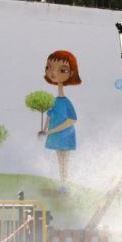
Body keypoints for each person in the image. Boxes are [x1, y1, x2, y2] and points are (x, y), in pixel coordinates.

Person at [38, 50, 81, 190]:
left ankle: (64, 184)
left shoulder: (66, 102)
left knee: (64, 160)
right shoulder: (54, 101)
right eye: (49, 68)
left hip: (65, 135)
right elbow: (49, 116)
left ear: (71, 73)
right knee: (60, 159)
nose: (54, 73)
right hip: (56, 134)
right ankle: (62, 183)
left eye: (62, 70)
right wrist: (44, 130)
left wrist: (51, 131)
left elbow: (72, 120)